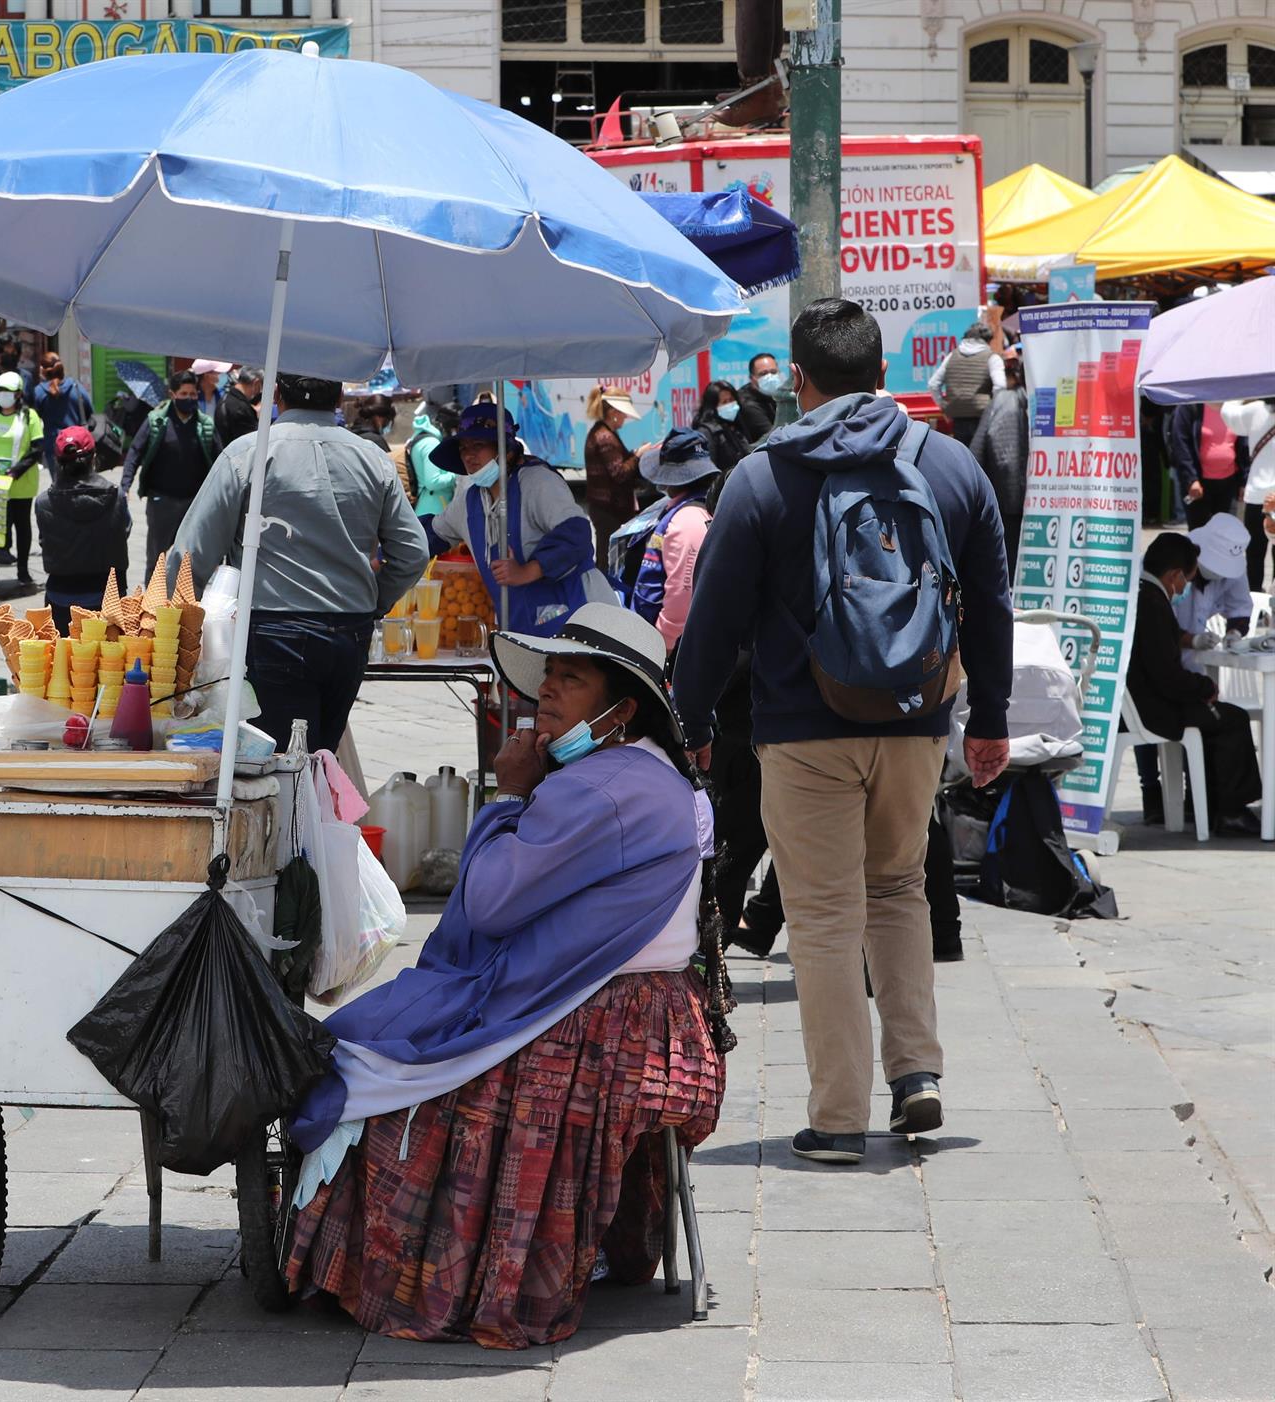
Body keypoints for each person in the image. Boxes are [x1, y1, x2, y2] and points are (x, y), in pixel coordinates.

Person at [287, 604, 730, 1349]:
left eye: (571, 678)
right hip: (658, 1011)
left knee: (378, 1062)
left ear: (622, 707)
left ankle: (412, 1277)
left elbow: (488, 901)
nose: (547, 692)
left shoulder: (599, 789)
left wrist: (512, 796)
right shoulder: (647, 772)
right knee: (388, 1027)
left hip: (602, 1021)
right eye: (548, 675)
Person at [672, 297, 1013, 1165]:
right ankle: (917, 1075)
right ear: (883, 374)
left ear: (798, 379)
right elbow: (993, 605)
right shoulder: (948, 466)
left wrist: (692, 722)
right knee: (897, 890)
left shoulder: (759, 474)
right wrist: (991, 721)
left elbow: (712, 618)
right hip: (917, 719)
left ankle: (834, 1121)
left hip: (800, 727)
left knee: (823, 914)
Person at [169, 373, 426, 752]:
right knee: (319, 758)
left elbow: (189, 556)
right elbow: (413, 552)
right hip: (348, 631)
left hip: (273, 629)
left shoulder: (248, 453)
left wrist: (177, 632)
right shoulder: (373, 458)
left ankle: (303, 812)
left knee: (279, 769)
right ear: (339, 397)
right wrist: (375, 601)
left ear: (276, 395)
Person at [423, 403, 617, 639]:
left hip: (580, 617)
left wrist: (528, 570)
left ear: (507, 451)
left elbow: (576, 534)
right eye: (463, 448)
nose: (469, 456)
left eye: (479, 446)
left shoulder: (538, 482)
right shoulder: (469, 502)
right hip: (520, 627)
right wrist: (386, 553)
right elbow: (432, 534)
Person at [1126, 532, 1261, 835]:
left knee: (1220, 716)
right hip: (1155, 707)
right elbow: (1168, 677)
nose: (1186, 587)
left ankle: (1214, 805)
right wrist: (1204, 688)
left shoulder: (1146, 594)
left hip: (1148, 699)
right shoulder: (1152, 602)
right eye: (1186, 579)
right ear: (1174, 575)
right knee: (1232, 719)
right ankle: (1230, 810)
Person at [122, 370, 218, 585]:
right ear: (172, 394)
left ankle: (185, 604)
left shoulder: (205, 425)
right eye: (184, 393)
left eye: (193, 394)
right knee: (157, 558)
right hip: (161, 502)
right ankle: (151, 603)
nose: (189, 398)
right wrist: (125, 485)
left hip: (194, 504)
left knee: (190, 559)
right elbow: (135, 452)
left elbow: (219, 459)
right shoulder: (156, 421)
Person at [629, 428, 717, 653]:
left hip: (669, 645)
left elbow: (681, 594)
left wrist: (663, 643)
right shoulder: (695, 509)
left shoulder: (686, 520)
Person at [34, 426, 130, 636]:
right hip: (109, 596)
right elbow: (124, 530)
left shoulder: (43, 502)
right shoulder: (117, 496)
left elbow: (44, 541)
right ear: (94, 457)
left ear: (58, 461)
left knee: (64, 665)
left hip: (61, 597)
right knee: (109, 665)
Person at [0, 370, 45, 589]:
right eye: (0, 391)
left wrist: (16, 471)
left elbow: (37, 449)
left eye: (8, 391)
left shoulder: (29, 416)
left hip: (20, 483)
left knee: (21, 526)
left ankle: (23, 571)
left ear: (18, 394)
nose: (3, 395)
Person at [973, 354, 1030, 560]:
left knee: (1008, 554)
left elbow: (977, 451)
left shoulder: (999, 402)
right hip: (1028, 496)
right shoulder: (1038, 402)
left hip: (1004, 493)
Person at [582, 387, 642, 570]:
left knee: (607, 555)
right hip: (609, 509)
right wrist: (638, 455)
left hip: (604, 507)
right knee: (608, 559)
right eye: (623, 414)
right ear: (614, 412)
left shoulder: (600, 432)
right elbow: (619, 473)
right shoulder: (605, 437)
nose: (625, 418)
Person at [1220, 397, 1275, 592]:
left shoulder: (1255, 410)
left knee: (1254, 554)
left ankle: (1254, 599)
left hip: (1257, 495)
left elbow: (1228, 415)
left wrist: (1244, 393)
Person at [1169, 402, 1245, 532]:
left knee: (1225, 534)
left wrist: (1244, 481)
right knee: (1200, 534)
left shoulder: (1235, 409)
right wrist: (1191, 479)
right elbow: (1180, 444)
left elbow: (1243, 446)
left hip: (1228, 482)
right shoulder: (1189, 407)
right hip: (1199, 485)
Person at [928, 321, 1005, 449]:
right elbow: (1000, 386)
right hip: (982, 417)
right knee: (981, 458)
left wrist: (944, 407)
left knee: (963, 456)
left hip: (958, 417)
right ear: (987, 340)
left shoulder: (952, 356)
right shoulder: (992, 357)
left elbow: (933, 384)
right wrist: (994, 411)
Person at [30, 350, 93, 473]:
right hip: (78, 444)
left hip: (53, 445)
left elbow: (33, 418)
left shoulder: (39, 392)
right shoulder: (76, 387)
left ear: (43, 370)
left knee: (59, 484)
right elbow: (90, 411)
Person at [403, 392, 460, 517]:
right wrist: (458, 475)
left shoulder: (423, 438)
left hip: (428, 505)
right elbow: (433, 482)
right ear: (449, 427)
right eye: (457, 429)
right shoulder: (431, 443)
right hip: (434, 507)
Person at [693, 380, 750, 471]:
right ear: (713, 406)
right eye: (724, 402)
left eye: (731, 400)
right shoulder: (706, 433)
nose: (730, 405)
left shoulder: (736, 426)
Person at [735, 353, 782, 442]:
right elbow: (774, 438)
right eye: (763, 374)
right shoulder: (747, 404)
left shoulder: (777, 394)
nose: (770, 377)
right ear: (752, 378)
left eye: (773, 372)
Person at [214, 366, 263, 448]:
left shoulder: (225, 399)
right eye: (261, 387)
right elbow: (250, 444)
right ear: (256, 383)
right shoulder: (240, 408)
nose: (259, 391)